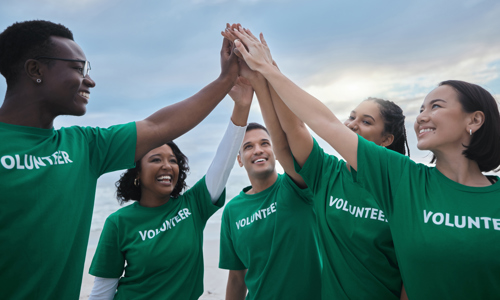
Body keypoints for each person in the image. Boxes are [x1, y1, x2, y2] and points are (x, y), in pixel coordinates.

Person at [232, 26, 500, 299]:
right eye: (421, 109)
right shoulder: (402, 179)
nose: (421, 117)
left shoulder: (400, 180)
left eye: (436, 107)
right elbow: (304, 129)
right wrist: (264, 71)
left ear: (475, 120)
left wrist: (267, 70)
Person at [0, 20, 238, 300]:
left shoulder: (85, 146)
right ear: (35, 70)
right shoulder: (118, 221)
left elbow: (159, 126)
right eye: (78, 69)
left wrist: (227, 79)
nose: (89, 80)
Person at [88, 76, 252, 299]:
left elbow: (223, 162)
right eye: (156, 159)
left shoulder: (194, 205)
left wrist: (241, 105)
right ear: (137, 173)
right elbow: (102, 290)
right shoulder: (118, 223)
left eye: (173, 160)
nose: (167, 166)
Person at [218, 56, 322, 299]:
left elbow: (291, 127)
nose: (258, 150)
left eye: (265, 143)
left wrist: (265, 74)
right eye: (248, 147)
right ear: (239, 160)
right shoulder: (232, 211)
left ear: (275, 151)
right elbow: (236, 279)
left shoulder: (298, 186)